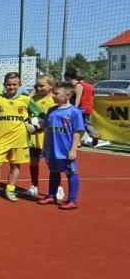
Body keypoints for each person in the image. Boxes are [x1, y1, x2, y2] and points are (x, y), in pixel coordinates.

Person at [0, 72, 43, 202]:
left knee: (15, 166)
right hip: (1, 139)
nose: (11, 87)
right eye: (9, 84)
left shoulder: (26, 100)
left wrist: (36, 126)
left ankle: (10, 190)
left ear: (20, 85)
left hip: (19, 139)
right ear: (4, 85)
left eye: (15, 84)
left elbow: (40, 114)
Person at [39, 82, 85, 210]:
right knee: (53, 171)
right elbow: (47, 130)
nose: (53, 96)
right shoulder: (51, 110)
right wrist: (44, 147)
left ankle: (72, 200)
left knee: (71, 172)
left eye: (56, 93)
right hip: (52, 148)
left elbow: (77, 131)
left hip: (66, 149)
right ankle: (51, 195)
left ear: (68, 95)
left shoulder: (74, 112)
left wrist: (73, 149)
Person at [27, 75, 57, 197]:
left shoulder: (55, 99)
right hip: (35, 136)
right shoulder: (34, 98)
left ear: (51, 85)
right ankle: (34, 186)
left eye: (42, 86)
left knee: (52, 163)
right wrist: (33, 92)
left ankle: (58, 187)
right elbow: (23, 102)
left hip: (49, 136)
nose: (39, 88)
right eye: (37, 85)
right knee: (34, 161)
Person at [66, 70, 101, 147]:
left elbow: (78, 98)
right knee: (87, 123)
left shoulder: (79, 85)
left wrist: (74, 109)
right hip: (88, 107)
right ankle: (94, 135)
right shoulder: (90, 86)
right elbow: (92, 97)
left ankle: (77, 141)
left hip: (81, 107)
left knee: (75, 124)